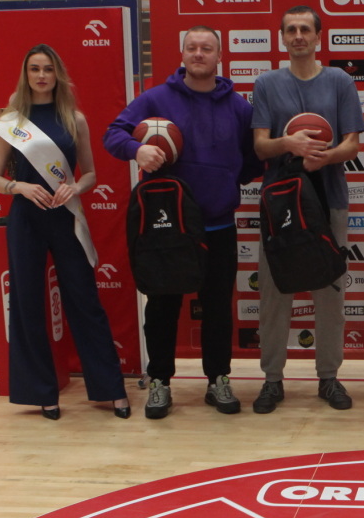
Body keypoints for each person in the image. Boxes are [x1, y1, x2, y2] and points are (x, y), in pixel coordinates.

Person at [103, 26, 260, 419]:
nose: (199, 54)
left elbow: (253, 158)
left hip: (218, 226)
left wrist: (225, 182)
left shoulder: (238, 107)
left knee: (217, 308)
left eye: (207, 48)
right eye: (192, 47)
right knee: (162, 306)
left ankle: (218, 379)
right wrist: (137, 150)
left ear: (219, 56)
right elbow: (113, 134)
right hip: (167, 228)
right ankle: (159, 381)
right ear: (183, 54)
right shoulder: (156, 98)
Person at [0, 44, 129, 420]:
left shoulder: (74, 119)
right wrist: (20, 187)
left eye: (48, 69)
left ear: (57, 74)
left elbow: (91, 174)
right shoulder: (11, 121)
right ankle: (42, 394)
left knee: (85, 302)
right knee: (27, 304)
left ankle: (111, 389)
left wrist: (75, 187)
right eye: (34, 69)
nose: (41, 75)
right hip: (26, 219)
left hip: (66, 216)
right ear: (26, 74)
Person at [249, 5, 364, 413]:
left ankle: (329, 377)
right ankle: (272, 380)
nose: (298, 35)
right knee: (274, 292)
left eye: (305, 29)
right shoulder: (266, 83)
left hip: (328, 199)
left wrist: (325, 157)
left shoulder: (339, 81)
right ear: (282, 37)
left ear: (318, 37)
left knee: (329, 292)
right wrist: (289, 144)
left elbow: (353, 144)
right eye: (291, 29)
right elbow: (260, 146)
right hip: (280, 203)